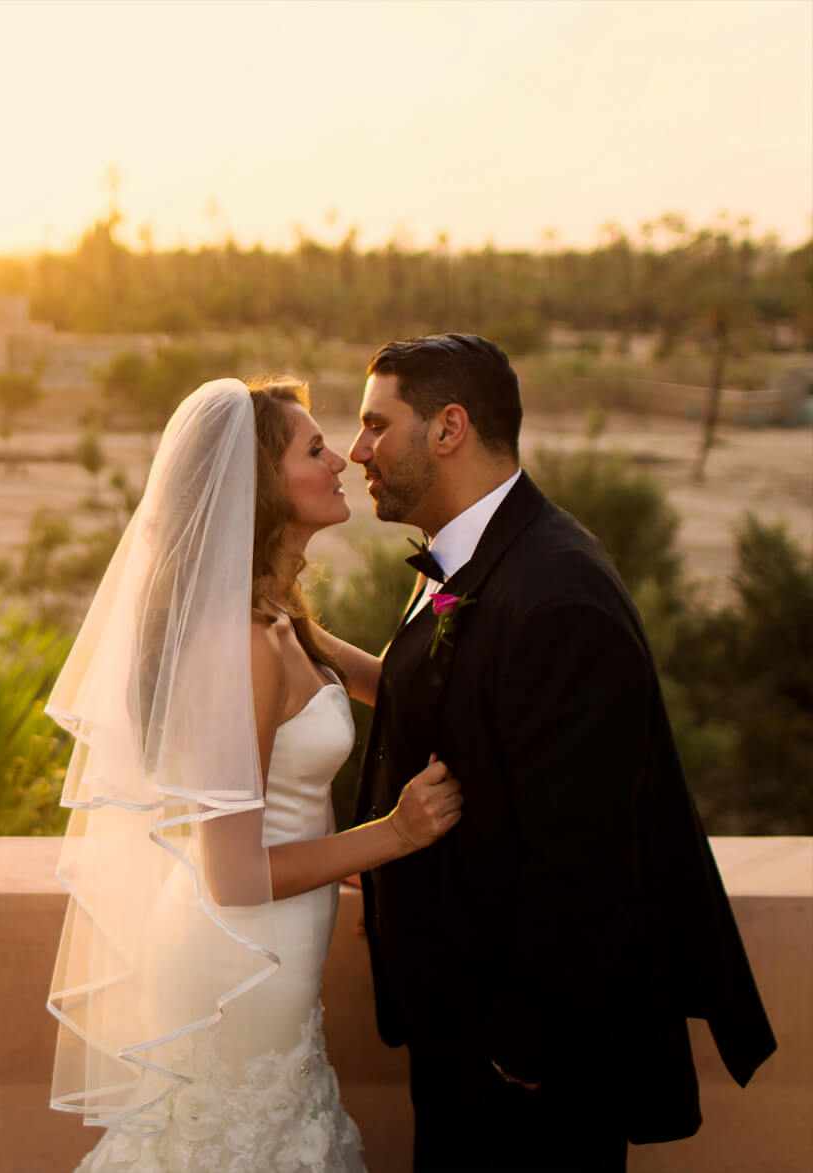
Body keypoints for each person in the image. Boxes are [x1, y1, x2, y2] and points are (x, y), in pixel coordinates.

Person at [342, 333, 777, 1171]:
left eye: (375, 424)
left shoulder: (555, 593)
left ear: (448, 428)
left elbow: (586, 862)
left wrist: (522, 1054)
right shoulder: (479, 557)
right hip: (459, 1032)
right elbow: (450, 712)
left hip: (526, 1071)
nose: (359, 448)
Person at [46, 375, 461, 1173]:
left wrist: (473, 599)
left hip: (273, 951)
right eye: (314, 449)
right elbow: (232, 872)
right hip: (235, 961)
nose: (341, 459)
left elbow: (399, 691)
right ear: (260, 486)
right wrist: (396, 834)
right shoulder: (243, 642)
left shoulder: (282, 620)